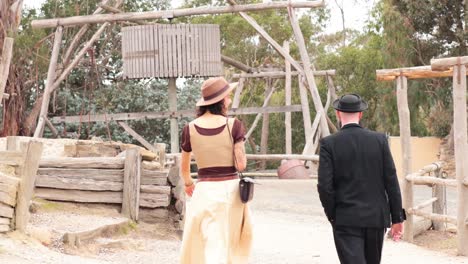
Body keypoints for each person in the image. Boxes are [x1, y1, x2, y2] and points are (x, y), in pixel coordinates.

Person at [317, 93, 406, 264]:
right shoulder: (379, 140)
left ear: (337, 113)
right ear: (360, 114)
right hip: (375, 219)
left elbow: (324, 186)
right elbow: (391, 181)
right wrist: (397, 218)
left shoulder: (329, 144)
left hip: (346, 218)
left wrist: (333, 214)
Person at [179, 77, 253, 264]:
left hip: (203, 190)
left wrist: (188, 183)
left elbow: (184, 163)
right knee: (227, 242)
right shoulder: (234, 125)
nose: (229, 101)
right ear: (221, 101)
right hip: (229, 190)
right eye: (228, 97)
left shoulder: (190, 128)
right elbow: (241, 164)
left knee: (202, 242)